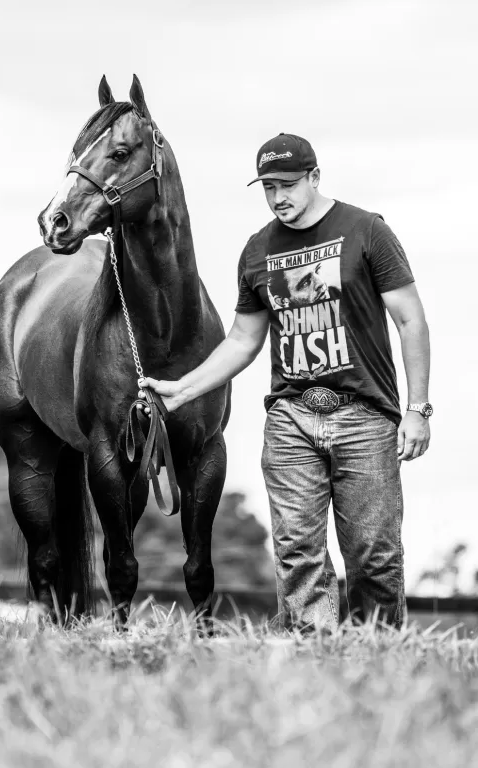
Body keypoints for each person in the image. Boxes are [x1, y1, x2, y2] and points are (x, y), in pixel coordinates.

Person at [140, 133, 431, 630]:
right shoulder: (257, 251)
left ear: (315, 177)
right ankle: (310, 656)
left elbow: (411, 321)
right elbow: (242, 340)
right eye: (269, 187)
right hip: (291, 420)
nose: (279, 197)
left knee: (374, 556)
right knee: (297, 551)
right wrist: (181, 390)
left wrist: (418, 409)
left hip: (364, 416)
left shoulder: (366, 231)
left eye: (289, 185)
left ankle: (377, 661)